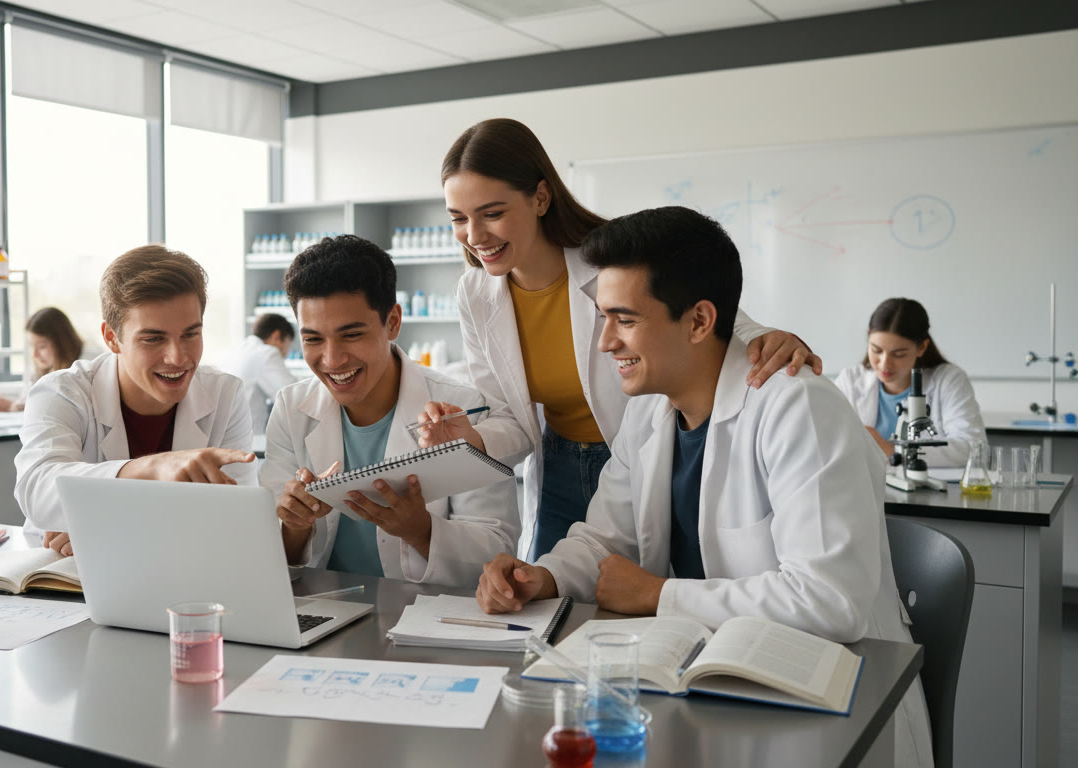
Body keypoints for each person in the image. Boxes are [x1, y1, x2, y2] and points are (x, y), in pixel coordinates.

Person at [474, 207, 932, 768]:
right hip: (703, 694)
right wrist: (539, 576)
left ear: (698, 321)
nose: (604, 343)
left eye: (624, 319)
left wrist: (656, 595)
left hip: (826, 714)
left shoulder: (797, 407)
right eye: (601, 317)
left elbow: (829, 600)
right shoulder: (648, 414)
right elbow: (603, 540)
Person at [420, 117, 820, 560]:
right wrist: (470, 439)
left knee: (645, 595)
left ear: (539, 197)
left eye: (492, 214)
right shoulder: (475, 294)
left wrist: (769, 337)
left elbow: (707, 316)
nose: (475, 237)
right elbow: (509, 417)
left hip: (640, 456)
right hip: (558, 465)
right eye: (459, 218)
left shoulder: (610, 262)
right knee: (554, 593)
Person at [260, 235, 520, 588]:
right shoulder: (292, 409)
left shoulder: (463, 414)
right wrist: (294, 524)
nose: (332, 360)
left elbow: (498, 552)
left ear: (393, 322)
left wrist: (421, 531)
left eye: (351, 335)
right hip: (322, 611)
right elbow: (269, 560)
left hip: (424, 614)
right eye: (313, 339)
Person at [14, 245, 256, 555]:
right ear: (112, 337)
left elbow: (238, 522)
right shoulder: (60, 392)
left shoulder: (225, 395)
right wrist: (155, 470)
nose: (177, 357)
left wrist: (107, 526)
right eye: (154, 338)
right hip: (61, 584)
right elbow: (38, 490)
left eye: (190, 334)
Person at [835, 297, 985, 467]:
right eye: (876, 350)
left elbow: (972, 448)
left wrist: (893, 451)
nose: (885, 364)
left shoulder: (949, 380)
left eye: (898, 354)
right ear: (868, 338)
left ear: (921, 347)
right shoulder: (850, 380)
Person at [0, 306, 83, 412]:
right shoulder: (42, 371)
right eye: (32, 346)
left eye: (41, 347)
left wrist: (14, 407)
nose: (35, 354)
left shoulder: (84, 367)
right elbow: (28, 400)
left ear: (62, 343)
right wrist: (11, 405)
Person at [219, 313, 298, 435]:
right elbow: (293, 396)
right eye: (288, 344)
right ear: (277, 336)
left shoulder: (236, 350)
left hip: (223, 434)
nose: (287, 352)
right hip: (247, 439)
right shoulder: (267, 353)